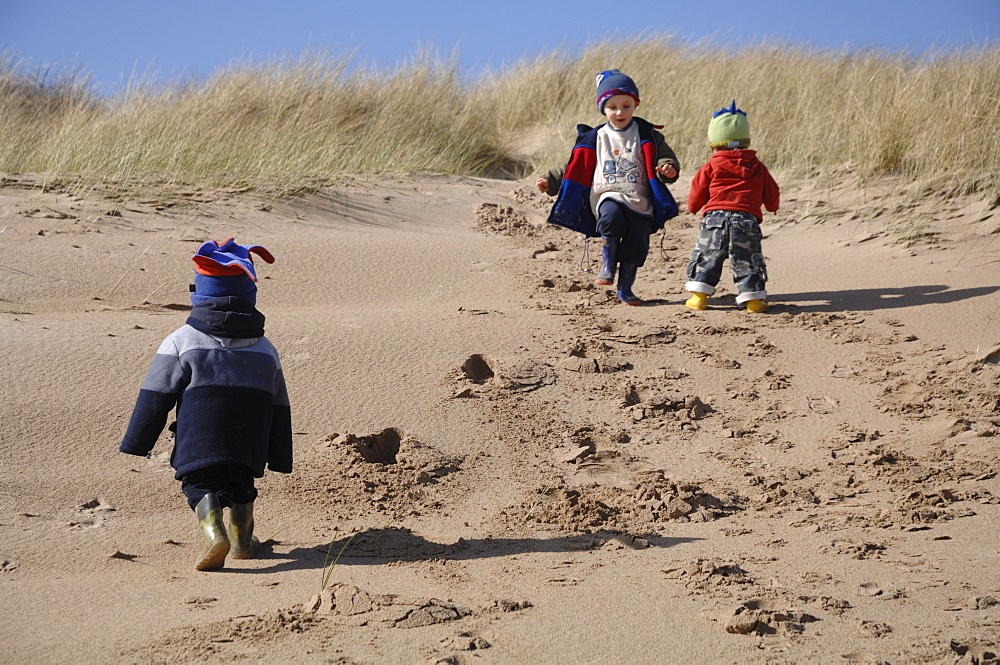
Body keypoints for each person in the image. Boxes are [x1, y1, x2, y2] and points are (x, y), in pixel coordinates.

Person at [120, 238, 293, 571]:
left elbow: (156, 394)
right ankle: (243, 540)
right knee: (242, 483)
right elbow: (279, 406)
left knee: (199, 484)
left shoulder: (181, 341)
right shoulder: (265, 349)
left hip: (201, 434)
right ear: (250, 295)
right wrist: (279, 456)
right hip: (250, 437)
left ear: (199, 292)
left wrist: (137, 442)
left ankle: (215, 535)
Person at [536, 69, 680, 305]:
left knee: (638, 241)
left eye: (626, 105)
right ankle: (608, 264)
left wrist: (668, 168)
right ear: (603, 108)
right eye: (613, 107)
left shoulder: (648, 134)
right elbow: (573, 166)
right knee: (610, 218)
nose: (620, 112)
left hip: (640, 199)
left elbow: (665, 158)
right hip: (607, 194)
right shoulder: (596, 136)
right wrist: (550, 182)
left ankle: (625, 288)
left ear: (636, 104)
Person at [684, 101, 779, 313]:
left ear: (715, 144)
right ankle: (753, 300)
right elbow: (771, 191)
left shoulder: (711, 165)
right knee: (747, 259)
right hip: (746, 220)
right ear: (745, 142)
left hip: (714, 219)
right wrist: (773, 206)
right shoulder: (757, 166)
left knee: (707, 256)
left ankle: (699, 296)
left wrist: (693, 206)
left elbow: (698, 190)